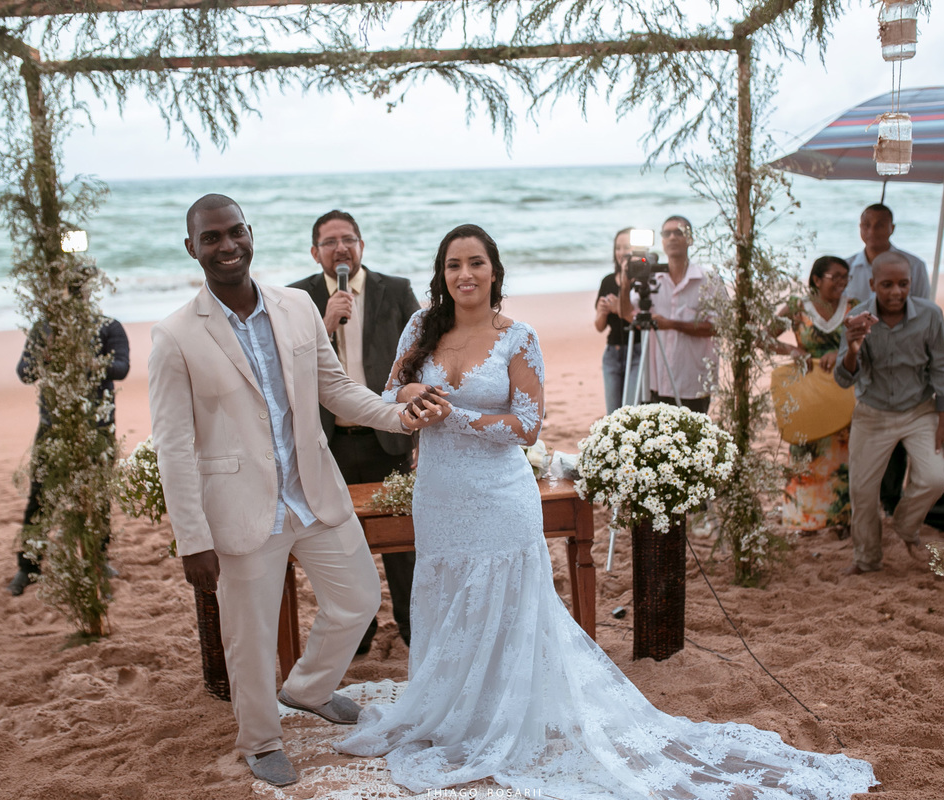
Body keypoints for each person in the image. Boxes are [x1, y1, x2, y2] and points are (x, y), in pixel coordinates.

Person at [336, 224, 877, 798]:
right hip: (440, 495)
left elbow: (527, 425)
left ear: (494, 271)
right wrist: (415, 400)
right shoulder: (422, 326)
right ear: (442, 274)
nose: (464, 275)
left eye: (475, 263)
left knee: (506, 601)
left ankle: (501, 715)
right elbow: (392, 389)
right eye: (453, 265)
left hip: (499, 496)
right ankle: (451, 710)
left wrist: (457, 418)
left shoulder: (518, 337)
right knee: (449, 595)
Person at [147, 194, 440, 787]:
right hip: (240, 509)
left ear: (250, 234)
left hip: (313, 493)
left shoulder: (297, 306)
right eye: (211, 238)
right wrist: (191, 540)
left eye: (235, 233)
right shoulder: (175, 336)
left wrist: (397, 415)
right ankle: (259, 740)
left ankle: (308, 688)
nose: (227, 246)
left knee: (358, 599)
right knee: (249, 636)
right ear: (192, 248)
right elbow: (173, 447)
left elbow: (336, 389)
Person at [290, 210, 421, 654]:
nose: (340, 248)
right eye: (330, 242)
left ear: (361, 245)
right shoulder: (297, 299)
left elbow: (422, 356)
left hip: (388, 439)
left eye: (349, 239)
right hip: (331, 443)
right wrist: (325, 324)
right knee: (343, 546)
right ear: (315, 252)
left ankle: (411, 628)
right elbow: (287, 368)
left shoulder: (396, 290)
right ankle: (358, 635)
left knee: (403, 543)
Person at [835, 250, 944, 576]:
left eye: (903, 284)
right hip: (872, 413)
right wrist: (852, 349)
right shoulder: (857, 319)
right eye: (887, 285)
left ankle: (905, 524)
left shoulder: (930, 315)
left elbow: (942, 369)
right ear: (873, 284)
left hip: (920, 410)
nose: (896, 292)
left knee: (935, 478)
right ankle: (867, 559)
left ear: (911, 282)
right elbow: (843, 377)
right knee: (862, 492)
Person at [8, 301, 129, 596]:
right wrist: (43, 357)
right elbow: (24, 373)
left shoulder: (108, 326)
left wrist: (87, 361)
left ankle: (98, 560)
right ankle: (28, 567)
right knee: (41, 498)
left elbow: (121, 369)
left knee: (97, 499)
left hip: (98, 428)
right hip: (53, 428)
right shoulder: (43, 328)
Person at [771, 256, 858, 536]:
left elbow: (868, 346)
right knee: (805, 451)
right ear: (817, 280)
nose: (842, 282)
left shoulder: (854, 307)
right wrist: (793, 352)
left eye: (846, 277)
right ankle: (804, 520)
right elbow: (762, 336)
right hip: (806, 388)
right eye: (836, 277)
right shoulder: (798, 306)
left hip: (842, 388)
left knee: (842, 455)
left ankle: (839, 521)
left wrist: (842, 353)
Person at [618, 215, 721, 413]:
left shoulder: (708, 280)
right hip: (658, 382)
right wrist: (625, 282)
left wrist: (673, 324)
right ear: (662, 241)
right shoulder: (652, 278)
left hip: (695, 383)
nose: (673, 237)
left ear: (690, 239)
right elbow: (626, 313)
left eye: (679, 232)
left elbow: (718, 327)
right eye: (667, 233)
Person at [844, 203, 931, 303]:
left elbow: (923, 307)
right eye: (866, 225)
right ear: (860, 227)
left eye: (880, 225)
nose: (872, 231)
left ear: (892, 228)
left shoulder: (914, 265)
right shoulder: (846, 267)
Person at [595, 227, 641, 413]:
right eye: (618, 248)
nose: (622, 253)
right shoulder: (607, 281)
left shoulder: (644, 282)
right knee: (613, 413)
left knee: (631, 410)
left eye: (627, 247)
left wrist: (618, 309)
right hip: (612, 353)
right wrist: (603, 312)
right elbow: (599, 326)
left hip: (638, 350)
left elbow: (645, 324)